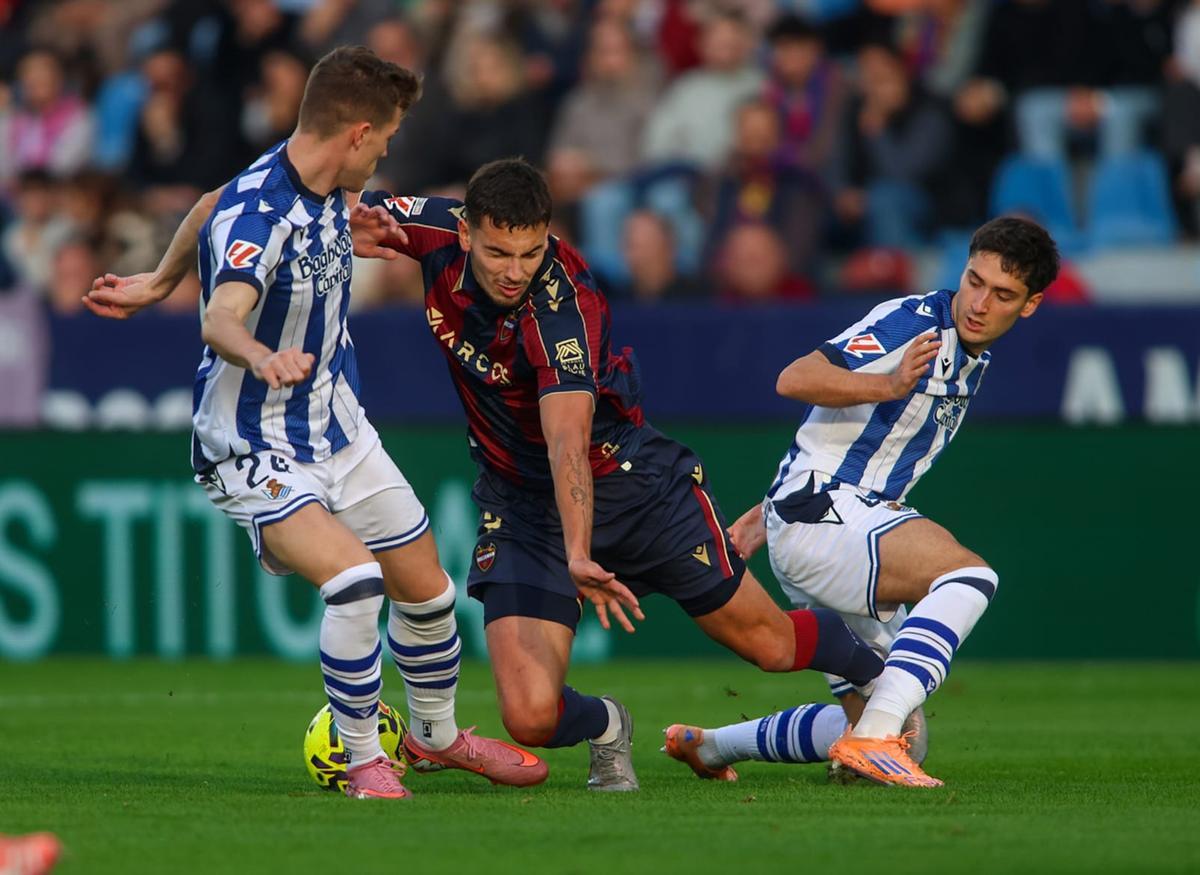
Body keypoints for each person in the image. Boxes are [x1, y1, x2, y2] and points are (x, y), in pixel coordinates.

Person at [83, 47, 545, 800]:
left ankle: (434, 736)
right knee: (357, 581)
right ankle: (363, 758)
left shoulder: (319, 180)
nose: (392, 147)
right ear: (359, 133)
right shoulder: (264, 212)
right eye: (389, 135)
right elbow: (221, 319)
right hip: (252, 443)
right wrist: (261, 354)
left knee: (427, 591)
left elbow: (206, 202)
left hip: (339, 426)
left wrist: (159, 277)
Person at [356, 158, 885, 791]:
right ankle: (609, 723)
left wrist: (578, 551)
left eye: (530, 252)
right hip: (522, 506)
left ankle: (877, 681)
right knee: (528, 716)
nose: (515, 270)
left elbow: (566, 442)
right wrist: (346, 224)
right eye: (498, 252)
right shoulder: (437, 229)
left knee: (769, 647)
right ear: (466, 233)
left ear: (547, 234)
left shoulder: (565, 311)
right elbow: (366, 212)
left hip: (633, 490)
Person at [663, 216, 1059, 788]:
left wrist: (763, 510)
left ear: (1030, 305)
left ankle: (713, 747)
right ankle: (871, 738)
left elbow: (850, 442)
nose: (978, 302)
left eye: (1002, 294)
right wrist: (889, 384)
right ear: (963, 268)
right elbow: (795, 378)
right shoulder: (913, 323)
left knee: (910, 736)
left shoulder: (972, 358)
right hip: (826, 518)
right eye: (974, 280)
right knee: (969, 576)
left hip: (825, 524)